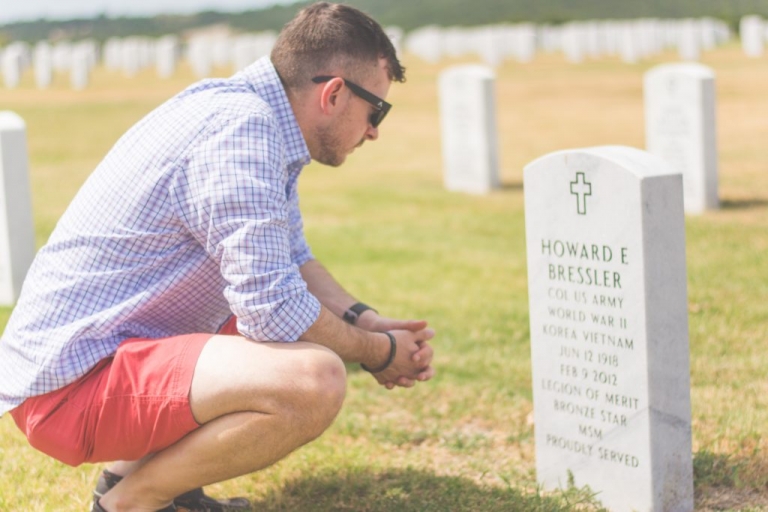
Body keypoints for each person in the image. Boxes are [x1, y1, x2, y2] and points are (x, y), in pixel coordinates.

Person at [0, 3, 436, 511]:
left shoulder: (251, 116)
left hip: (106, 357)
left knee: (263, 326)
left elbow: (292, 259)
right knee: (313, 380)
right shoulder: (241, 130)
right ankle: (130, 501)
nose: (375, 130)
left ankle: (155, 486)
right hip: (70, 387)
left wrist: (366, 319)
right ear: (334, 93)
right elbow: (271, 308)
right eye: (375, 111)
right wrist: (375, 351)